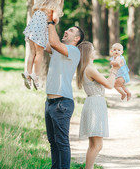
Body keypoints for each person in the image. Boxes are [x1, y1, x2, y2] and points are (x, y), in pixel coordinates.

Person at [44, 11, 85, 169]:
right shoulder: (58, 49)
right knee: (53, 142)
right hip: (50, 103)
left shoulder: (73, 51)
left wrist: (51, 23)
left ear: (76, 39)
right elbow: (45, 42)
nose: (66, 31)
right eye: (66, 29)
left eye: (71, 30)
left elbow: (53, 43)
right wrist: (42, 19)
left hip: (62, 103)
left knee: (61, 143)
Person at [76, 41, 120, 169]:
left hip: (92, 103)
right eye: (93, 50)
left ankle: (89, 167)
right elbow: (110, 84)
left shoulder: (86, 68)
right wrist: (115, 70)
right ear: (88, 53)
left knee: (93, 144)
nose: (95, 52)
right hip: (95, 104)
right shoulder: (90, 69)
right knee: (98, 145)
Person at [22, 0, 65, 90]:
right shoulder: (53, 7)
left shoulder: (40, 6)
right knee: (39, 54)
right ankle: (36, 76)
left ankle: (27, 73)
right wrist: (56, 21)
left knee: (32, 52)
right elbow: (54, 19)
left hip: (32, 31)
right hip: (40, 32)